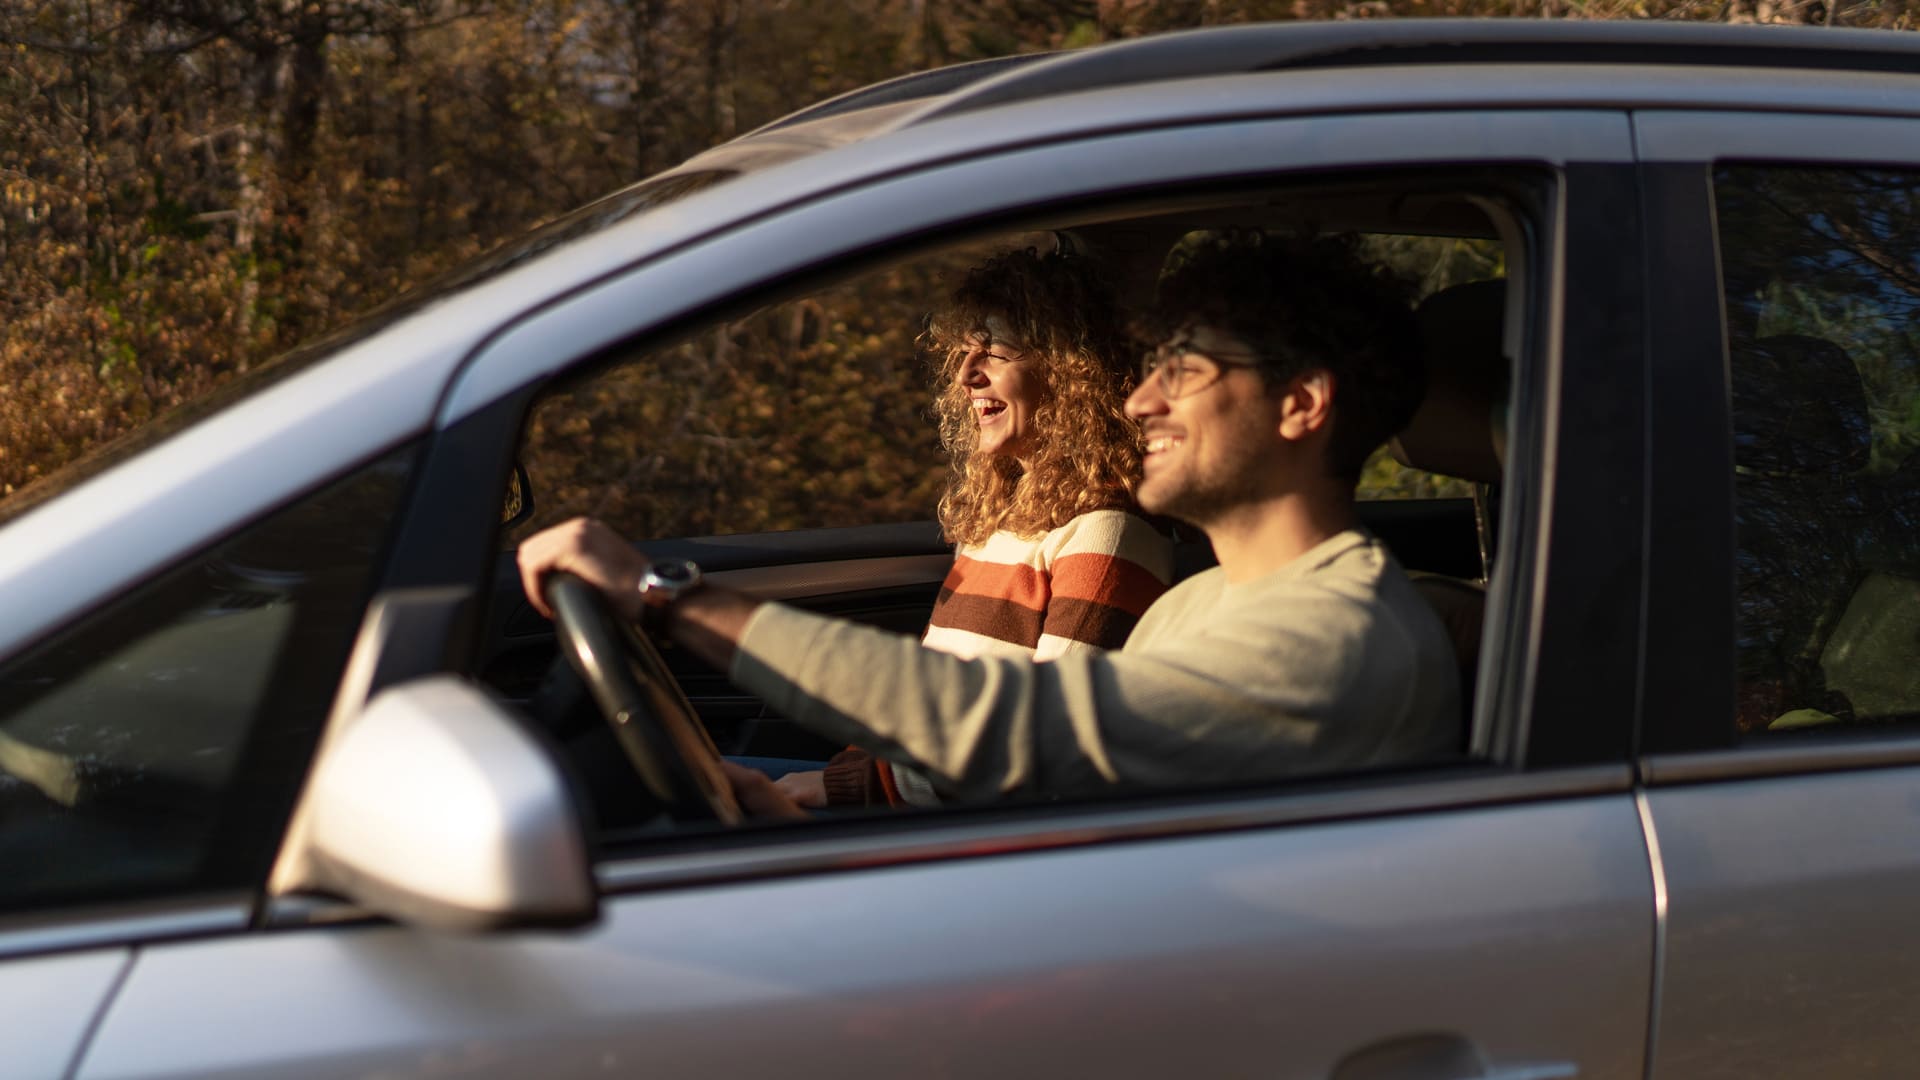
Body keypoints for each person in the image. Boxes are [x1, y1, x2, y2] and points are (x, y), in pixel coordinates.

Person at [517, 231, 1460, 816]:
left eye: (1185, 369)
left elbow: (1015, 732)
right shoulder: (1211, 600)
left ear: (1301, 403)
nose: (1137, 402)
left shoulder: (1332, 637)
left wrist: (663, 595)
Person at [778, 247, 1174, 809]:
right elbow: (929, 707)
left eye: (992, 352)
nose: (966, 376)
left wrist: (844, 787)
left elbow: (1045, 748)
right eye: (964, 354)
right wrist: (849, 772)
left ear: (1069, 370)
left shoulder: (1107, 533)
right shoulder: (1004, 520)